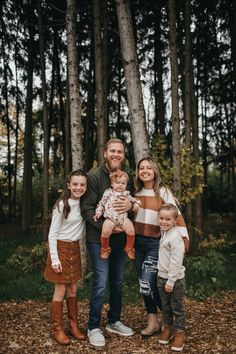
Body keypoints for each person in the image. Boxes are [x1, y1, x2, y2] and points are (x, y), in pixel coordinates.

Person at [81, 138, 134, 347]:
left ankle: (114, 320)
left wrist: (131, 204)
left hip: (122, 238)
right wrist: (108, 227)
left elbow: (133, 201)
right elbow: (87, 210)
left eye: (119, 151)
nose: (116, 155)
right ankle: (93, 326)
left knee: (118, 282)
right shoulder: (93, 176)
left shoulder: (126, 177)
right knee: (101, 281)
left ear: (123, 154)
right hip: (99, 238)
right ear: (105, 153)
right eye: (112, 151)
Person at [133, 157, 189, 337]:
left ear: (155, 171)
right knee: (144, 284)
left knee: (148, 282)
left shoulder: (163, 192)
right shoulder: (135, 192)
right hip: (138, 242)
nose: (145, 170)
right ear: (138, 172)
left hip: (155, 243)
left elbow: (176, 216)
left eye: (149, 167)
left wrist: (184, 239)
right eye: (141, 168)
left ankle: (170, 320)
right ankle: (153, 321)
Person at [44, 170, 87, 345]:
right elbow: (52, 233)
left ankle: (73, 325)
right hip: (60, 249)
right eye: (75, 184)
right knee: (60, 291)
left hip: (74, 249)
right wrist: (55, 259)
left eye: (82, 184)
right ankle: (58, 329)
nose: (78, 187)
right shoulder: (62, 205)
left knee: (73, 290)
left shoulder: (85, 204)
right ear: (68, 185)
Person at [157, 203, 186, 352]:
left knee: (177, 307)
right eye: (161, 218)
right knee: (165, 306)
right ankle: (167, 328)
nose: (163, 221)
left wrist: (171, 281)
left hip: (174, 280)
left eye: (168, 219)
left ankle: (180, 333)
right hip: (161, 277)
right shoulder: (164, 232)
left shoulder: (175, 237)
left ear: (175, 221)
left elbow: (176, 261)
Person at [93, 169, 140, 260]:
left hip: (122, 218)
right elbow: (101, 203)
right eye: (117, 182)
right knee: (105, 231)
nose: (120, 185)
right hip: (110, 218)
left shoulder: (126, 194)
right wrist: (98, 212)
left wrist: (137, 204)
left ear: (126, 185)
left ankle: (129, 248)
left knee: (131, 231)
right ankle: (105, 249)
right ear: (112, 184)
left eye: (123, 183)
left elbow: (135, 200)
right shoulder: (108, 193)